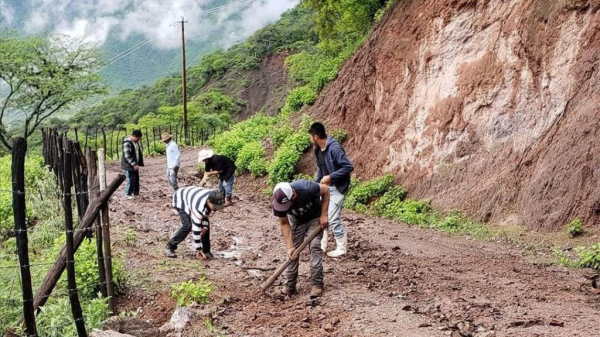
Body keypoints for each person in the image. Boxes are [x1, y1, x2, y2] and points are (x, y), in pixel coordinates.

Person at [273, 180, 330, 299]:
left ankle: (317, 284)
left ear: (293, 194)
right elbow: (284, 223)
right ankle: (289, 286)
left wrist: (324, 214)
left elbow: (326, 190)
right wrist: (290, 246)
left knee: (314, 246)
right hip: (297, 221)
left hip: (315, 217)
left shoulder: (307, 188)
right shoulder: (278, 201)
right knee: (292, 253)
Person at [308, 122, 354, 257]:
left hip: (338, 187)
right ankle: (322, 245)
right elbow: (320, 168)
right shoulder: (317, 149)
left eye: (311, 136)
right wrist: (316, 185)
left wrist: (331, 177)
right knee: (321, 215)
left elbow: (348, 167)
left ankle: (341, 247)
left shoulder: (335, 149)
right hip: (325, 187)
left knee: (333, 218)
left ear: (316, 136)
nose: (310, 139)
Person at [165, 186, 224, 259]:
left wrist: (205, 227)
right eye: (215, 207)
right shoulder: (199, 207)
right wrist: (198, 249)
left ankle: (206, 251)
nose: (215, 210)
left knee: (205, 228)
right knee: (188, 225)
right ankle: (170, 246)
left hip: (192, 196)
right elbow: (196, 229)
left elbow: (205, 215)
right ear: (208, 202)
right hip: (181, 199)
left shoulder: (213, 196)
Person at [121, 130, 144, 200]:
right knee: (131, 179)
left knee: (136, 179)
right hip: (129, 165)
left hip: (134, 164)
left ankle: (135, 193)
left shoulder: (135, 142)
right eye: (138, 138)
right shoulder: (127, 143)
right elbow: (127, 155)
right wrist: (134, 164)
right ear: (134, 136)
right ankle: (128, 193)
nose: (138, 140)